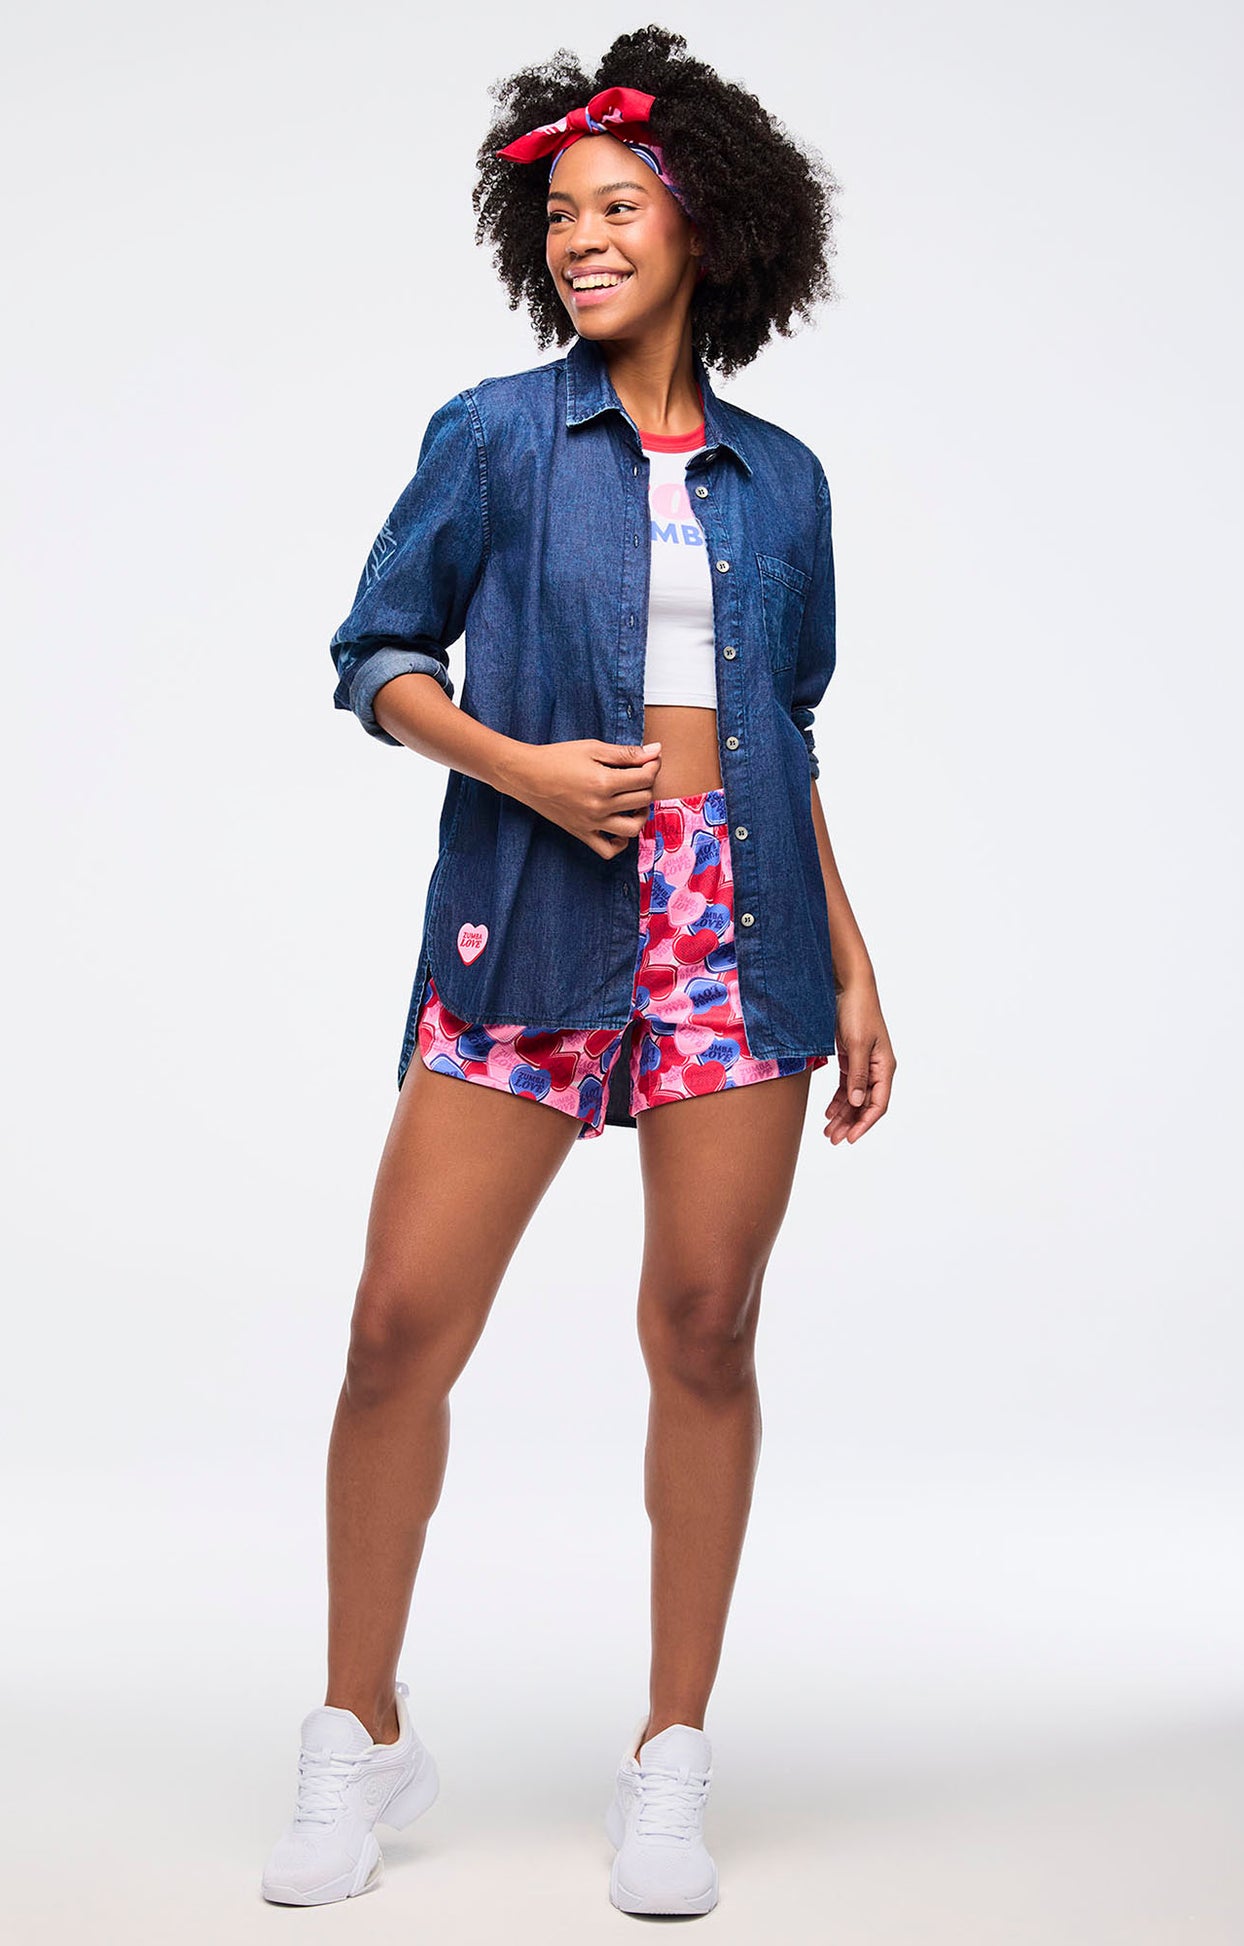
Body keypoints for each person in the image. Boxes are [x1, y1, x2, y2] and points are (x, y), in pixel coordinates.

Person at [261, 26, 892, 1916]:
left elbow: (783, 732)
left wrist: (854, 966)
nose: (583, 240)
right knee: (399, 1326)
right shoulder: (492, 435)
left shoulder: (785, 482)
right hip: (529, 907)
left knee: (702, 1330)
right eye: (557, 216)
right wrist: (520, 767)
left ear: (706, 228)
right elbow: (374, 654)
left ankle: (668, 1752)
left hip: (737, 924)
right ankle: (356, 1728)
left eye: (618, 206)